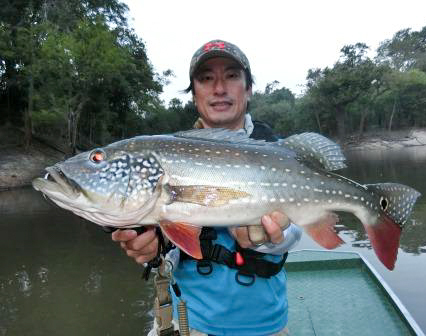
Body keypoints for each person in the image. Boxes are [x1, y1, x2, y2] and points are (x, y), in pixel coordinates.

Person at [112, 39, 301, 336]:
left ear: (248, 87)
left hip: (265, 325)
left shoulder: (280, 152)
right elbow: (166, 235)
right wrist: (153, 245)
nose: (219, 89)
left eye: (231, 76)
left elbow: (296, 230)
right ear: (194, 92)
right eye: (206, 78)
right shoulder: (167, 154)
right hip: (185, 322)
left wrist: (270, 235)